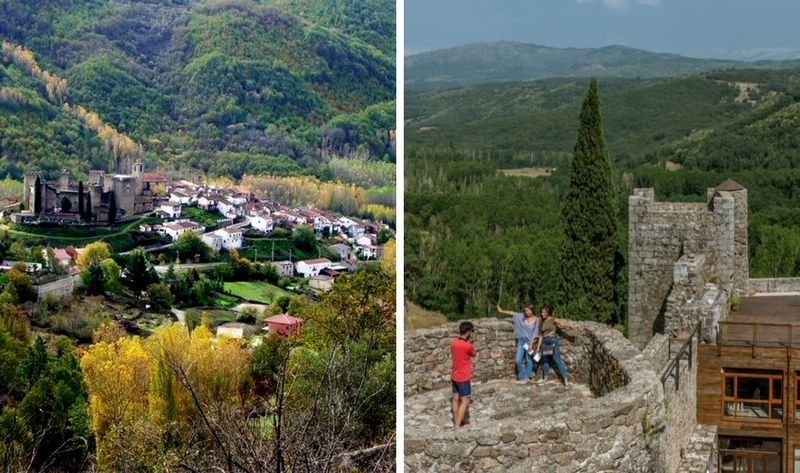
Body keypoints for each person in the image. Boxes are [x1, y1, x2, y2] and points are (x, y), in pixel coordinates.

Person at [496, 303, 541, 384]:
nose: (526, 312)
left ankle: (528, 377)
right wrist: (501, 311)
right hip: (522, 342)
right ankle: (523, 375)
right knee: (518, 360)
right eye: (525, 310)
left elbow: (535, 333)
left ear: (532, 310)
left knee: (529, 360)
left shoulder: (537, 319)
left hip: (530, 342)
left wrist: (531, 344)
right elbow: (513, 313)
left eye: (528, 310)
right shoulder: (522, 316)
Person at [538, 305, 578, 387]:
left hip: (553, 341)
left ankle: (566, 381)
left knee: (558, 361)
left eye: (544, 312)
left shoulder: (552, 319)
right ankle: (545, 378)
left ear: (548, 312)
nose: (542, 314)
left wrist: (571, 326)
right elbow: (541, 335)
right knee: (546, 361)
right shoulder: (542, 322)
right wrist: (538, 346)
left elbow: (562, 324)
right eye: (542, 312)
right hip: (545, 342)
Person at [451, 321, 476, 429]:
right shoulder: (468, 346)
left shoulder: (453, 343)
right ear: (468, 332)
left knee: (455, 398)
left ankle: (457, 421)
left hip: (454, 375)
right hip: (463, 377)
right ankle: (457, 425)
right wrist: (470, 343)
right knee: (465, 400)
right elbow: (474, 353)